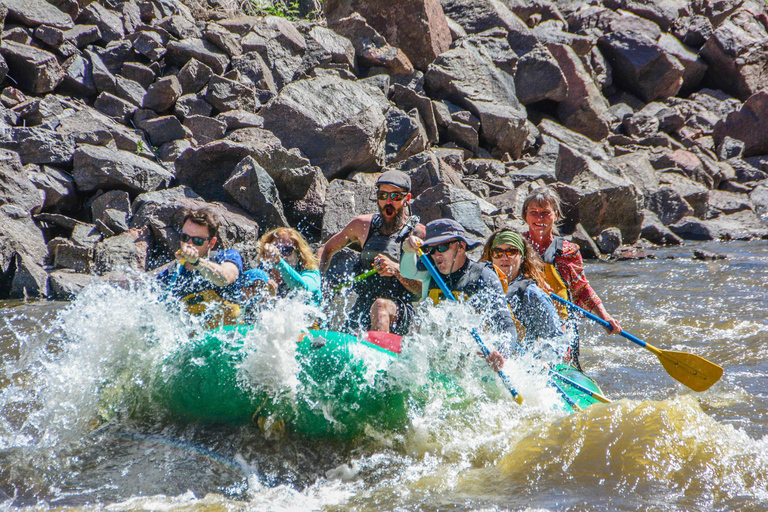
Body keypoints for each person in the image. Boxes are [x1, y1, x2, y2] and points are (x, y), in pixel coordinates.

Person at [400, 219, 518, 371]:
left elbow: (506, 324)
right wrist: (409, 251)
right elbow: (406, 272)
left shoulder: (483, 276)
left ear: (461, 247)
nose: (436, 255)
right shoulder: (429, 269)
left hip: (470, 362)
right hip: (433, 357)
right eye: (431, 249)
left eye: (442, 247)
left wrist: (502, 351)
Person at [522, 186, 621, 367]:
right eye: (533, 213)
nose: (539, 218)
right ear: (525, 216)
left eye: (545, 213)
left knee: (564, 362)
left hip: (561, 325)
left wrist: (605, 316)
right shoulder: (514, 248)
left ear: (556, 215)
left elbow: (582, 290)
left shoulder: (568, 251)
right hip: (523, 320)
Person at [317, 170, 424, 335]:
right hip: (363, 306)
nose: (388, 202)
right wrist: (319, 281)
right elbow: (325, 249)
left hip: (399, 311)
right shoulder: (363, 225)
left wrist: (397, 271)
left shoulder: (418, 235)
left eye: (395, 197)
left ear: (406, 199)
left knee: (380, 307)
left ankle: (380, 355)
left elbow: (423, 290)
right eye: (383, 196)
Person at [481, 229, 567, 355]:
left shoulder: (531, 294)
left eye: (511, 252)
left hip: (521, 362)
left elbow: (557, 341)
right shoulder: (481, 287)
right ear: (491, 257)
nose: (504, 258)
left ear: (522, 258)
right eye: (498, 252)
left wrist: (544, 361)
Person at [158, 207, 243, 324]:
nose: (189, 244)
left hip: (232, 334)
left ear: (211, 243)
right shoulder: (170, 276)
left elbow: (225, 278)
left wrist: (196, 261)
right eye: (185, 237)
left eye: (197, 240)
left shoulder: (227, 257)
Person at [242, 227, 321, 306]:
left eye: (287, 250)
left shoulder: (311, 273)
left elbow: (303, 288)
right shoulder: (262, 274)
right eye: (275, 249)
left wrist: (279, 261)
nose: (279, 254)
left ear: (298, 254)